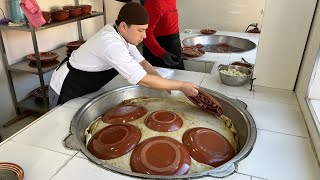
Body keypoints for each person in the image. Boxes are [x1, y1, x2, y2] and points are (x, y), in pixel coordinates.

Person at [49, 2, 198, 108]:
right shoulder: (111, 43)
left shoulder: (121, 35)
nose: (145, 36)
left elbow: (142, 63)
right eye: (140, 30)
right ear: (124, 26)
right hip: (67, 87)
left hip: (87, 86)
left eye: (146, 30)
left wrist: (163, 84)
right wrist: (181, 86)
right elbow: (142, 79)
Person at [142, 0, 184, 70]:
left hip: (173, 48)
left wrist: (177, 46)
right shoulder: (154, 2)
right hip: (158, 54)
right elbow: (146, 33)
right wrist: (161, 53)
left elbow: (169, 25)